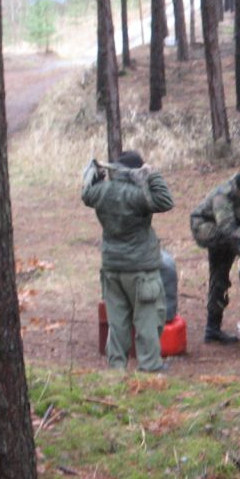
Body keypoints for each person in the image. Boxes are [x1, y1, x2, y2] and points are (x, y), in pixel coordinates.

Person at [82, 150, 174, 372]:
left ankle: (116, 368)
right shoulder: (138, 195)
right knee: (148, 319)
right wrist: (152, 175)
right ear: (136, 171)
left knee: (117, 321)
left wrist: (96, 174)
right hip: (141, 269)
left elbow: (86, 194)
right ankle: (150, 366)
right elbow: (165, 201)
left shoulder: (101, 191)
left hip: (112, 267)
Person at [190, 171, 240, 344]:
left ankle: (213, 328)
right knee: (219, 275)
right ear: (239, 190)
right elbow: (227, 228)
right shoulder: (222, 196)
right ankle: (212, 328)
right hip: (208, 228)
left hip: (235, 228)